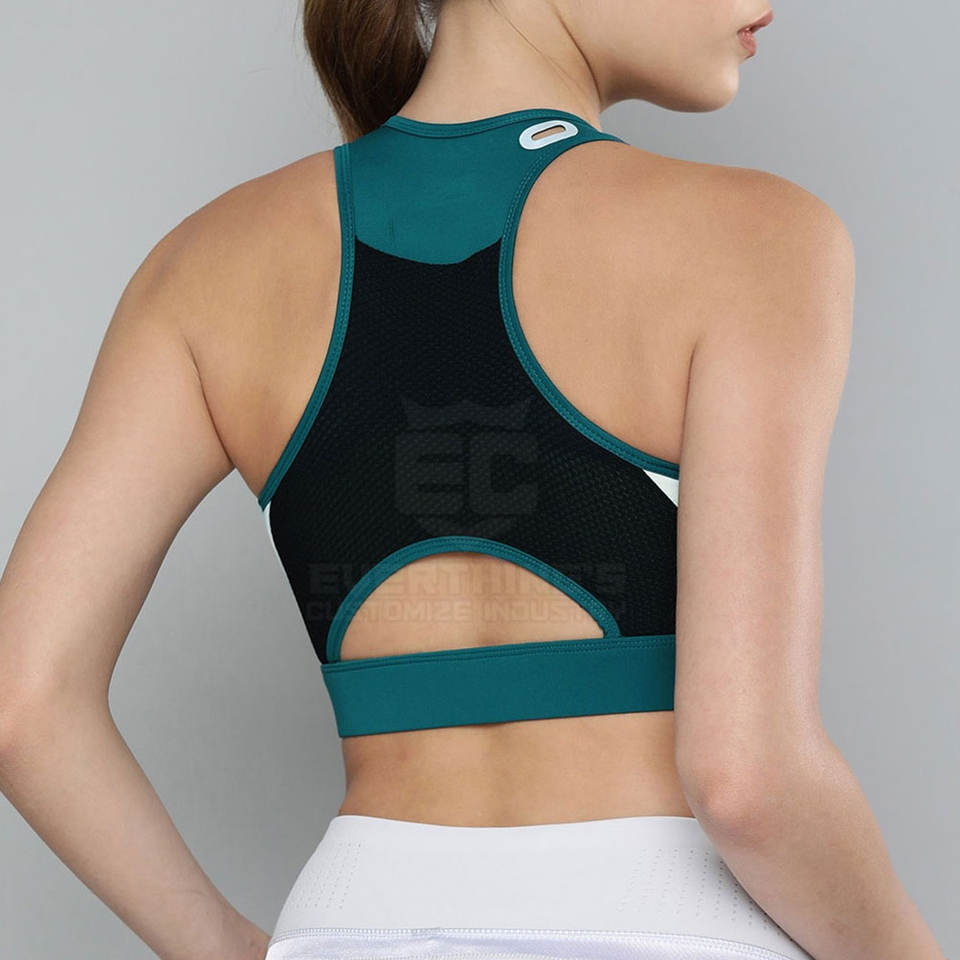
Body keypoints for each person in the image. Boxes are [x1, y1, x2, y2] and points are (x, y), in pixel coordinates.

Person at [0, 1, 948, 958]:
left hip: (351, 923)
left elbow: (22, 705)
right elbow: (749, 782)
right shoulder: (754, 235)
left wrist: (229, 949)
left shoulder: (203, 265)